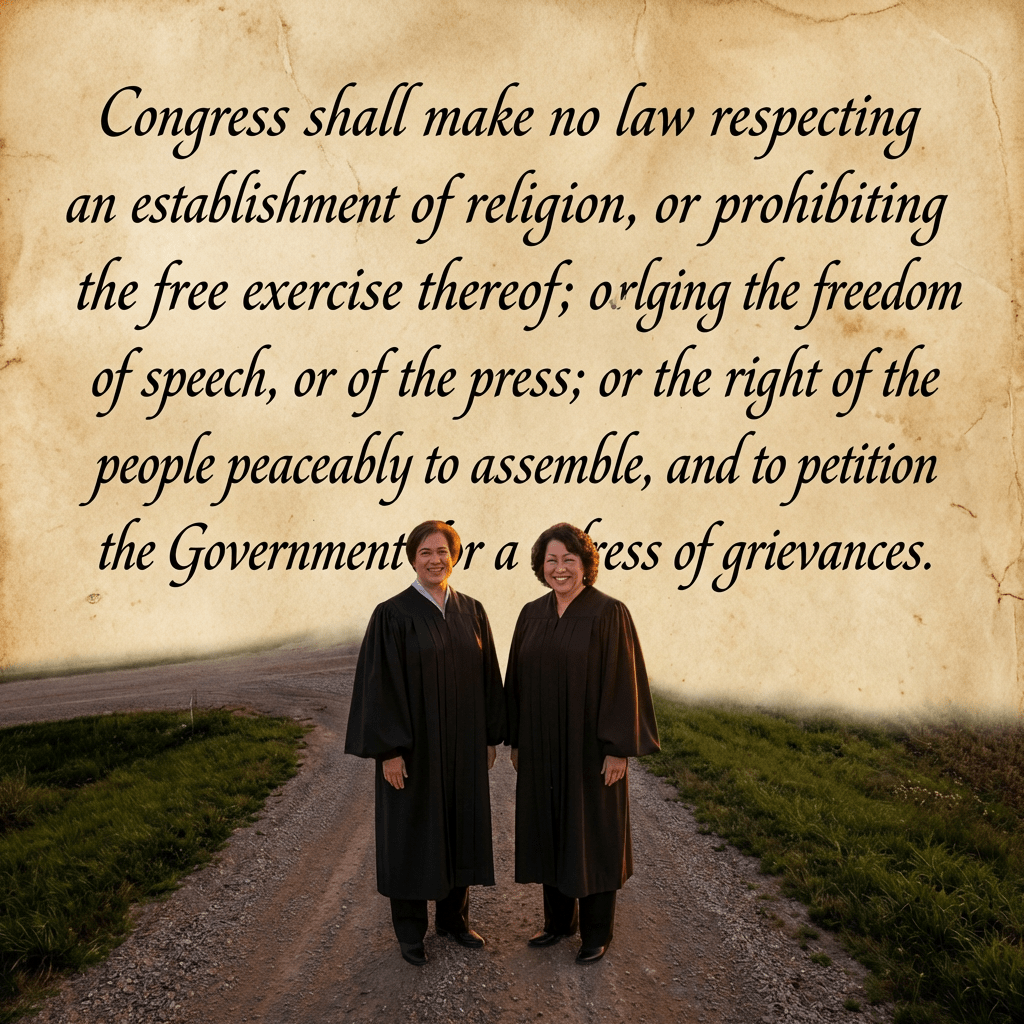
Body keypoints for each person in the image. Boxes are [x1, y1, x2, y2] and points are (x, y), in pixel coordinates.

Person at [345, 520, 505, 966]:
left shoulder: (472, 610)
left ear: (455, 556)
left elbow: (488, 674)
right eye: (426, 552)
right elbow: (380, 687)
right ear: (412, 557)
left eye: (443, 551)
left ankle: (454, 921)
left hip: (462, 747)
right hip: (413, 752)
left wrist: (491, 736)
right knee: (413, 833)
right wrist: (389, 751)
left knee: (458, 826)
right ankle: (410, 932)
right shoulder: (392, 614)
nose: (435, 560)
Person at [506, 522, 659, 963]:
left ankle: (596, 933)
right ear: (540, 566)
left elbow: (623, 681)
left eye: (569, 560)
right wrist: (516, 739)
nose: (559, 569)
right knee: (549, 829)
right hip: (541, 748)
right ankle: (557, 924)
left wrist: (618, 747)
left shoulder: (609, 612)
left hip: (590, 752)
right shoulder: (531, 613)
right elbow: (515, 679)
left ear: (586, 565)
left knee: (593, 834)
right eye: (551, 560)